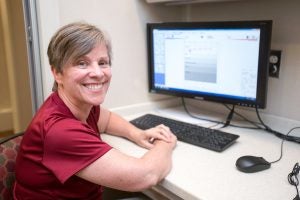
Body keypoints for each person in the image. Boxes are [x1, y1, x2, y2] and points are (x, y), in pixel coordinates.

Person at [14, 22, 177, 199]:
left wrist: (136, 133)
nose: (98, 73)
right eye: (82, 63)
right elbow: (145, 176)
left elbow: (106, 120)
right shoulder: (61, 131)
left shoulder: (75, 105)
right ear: (57, 73)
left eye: (103, 62)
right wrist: (166, 143)